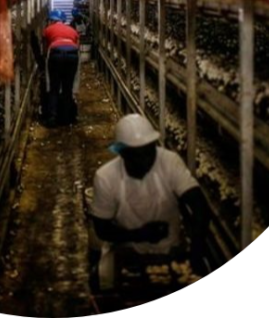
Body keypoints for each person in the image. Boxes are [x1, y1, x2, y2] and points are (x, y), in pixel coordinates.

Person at [89, 114, 210, 289]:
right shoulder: (106, 177)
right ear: (123, 153)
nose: (146, 160)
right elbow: (101, 229)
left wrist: (196, 253)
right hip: (126, 250)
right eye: (137, 155)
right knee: (105, 282)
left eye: (149, 151)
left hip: (170, 250)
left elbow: (200, 207)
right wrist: (139, 234)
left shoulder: (169, 162)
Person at [42, 9, 80, 126]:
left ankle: (52, 117)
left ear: (52, 20)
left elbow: (45, 48)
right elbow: (77, 47)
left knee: (54, 87)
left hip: (56, 54)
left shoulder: (48, 30)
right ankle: (67, 118)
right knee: (67, 87)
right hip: (72, 54)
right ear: (63, 21)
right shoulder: (73, 31)